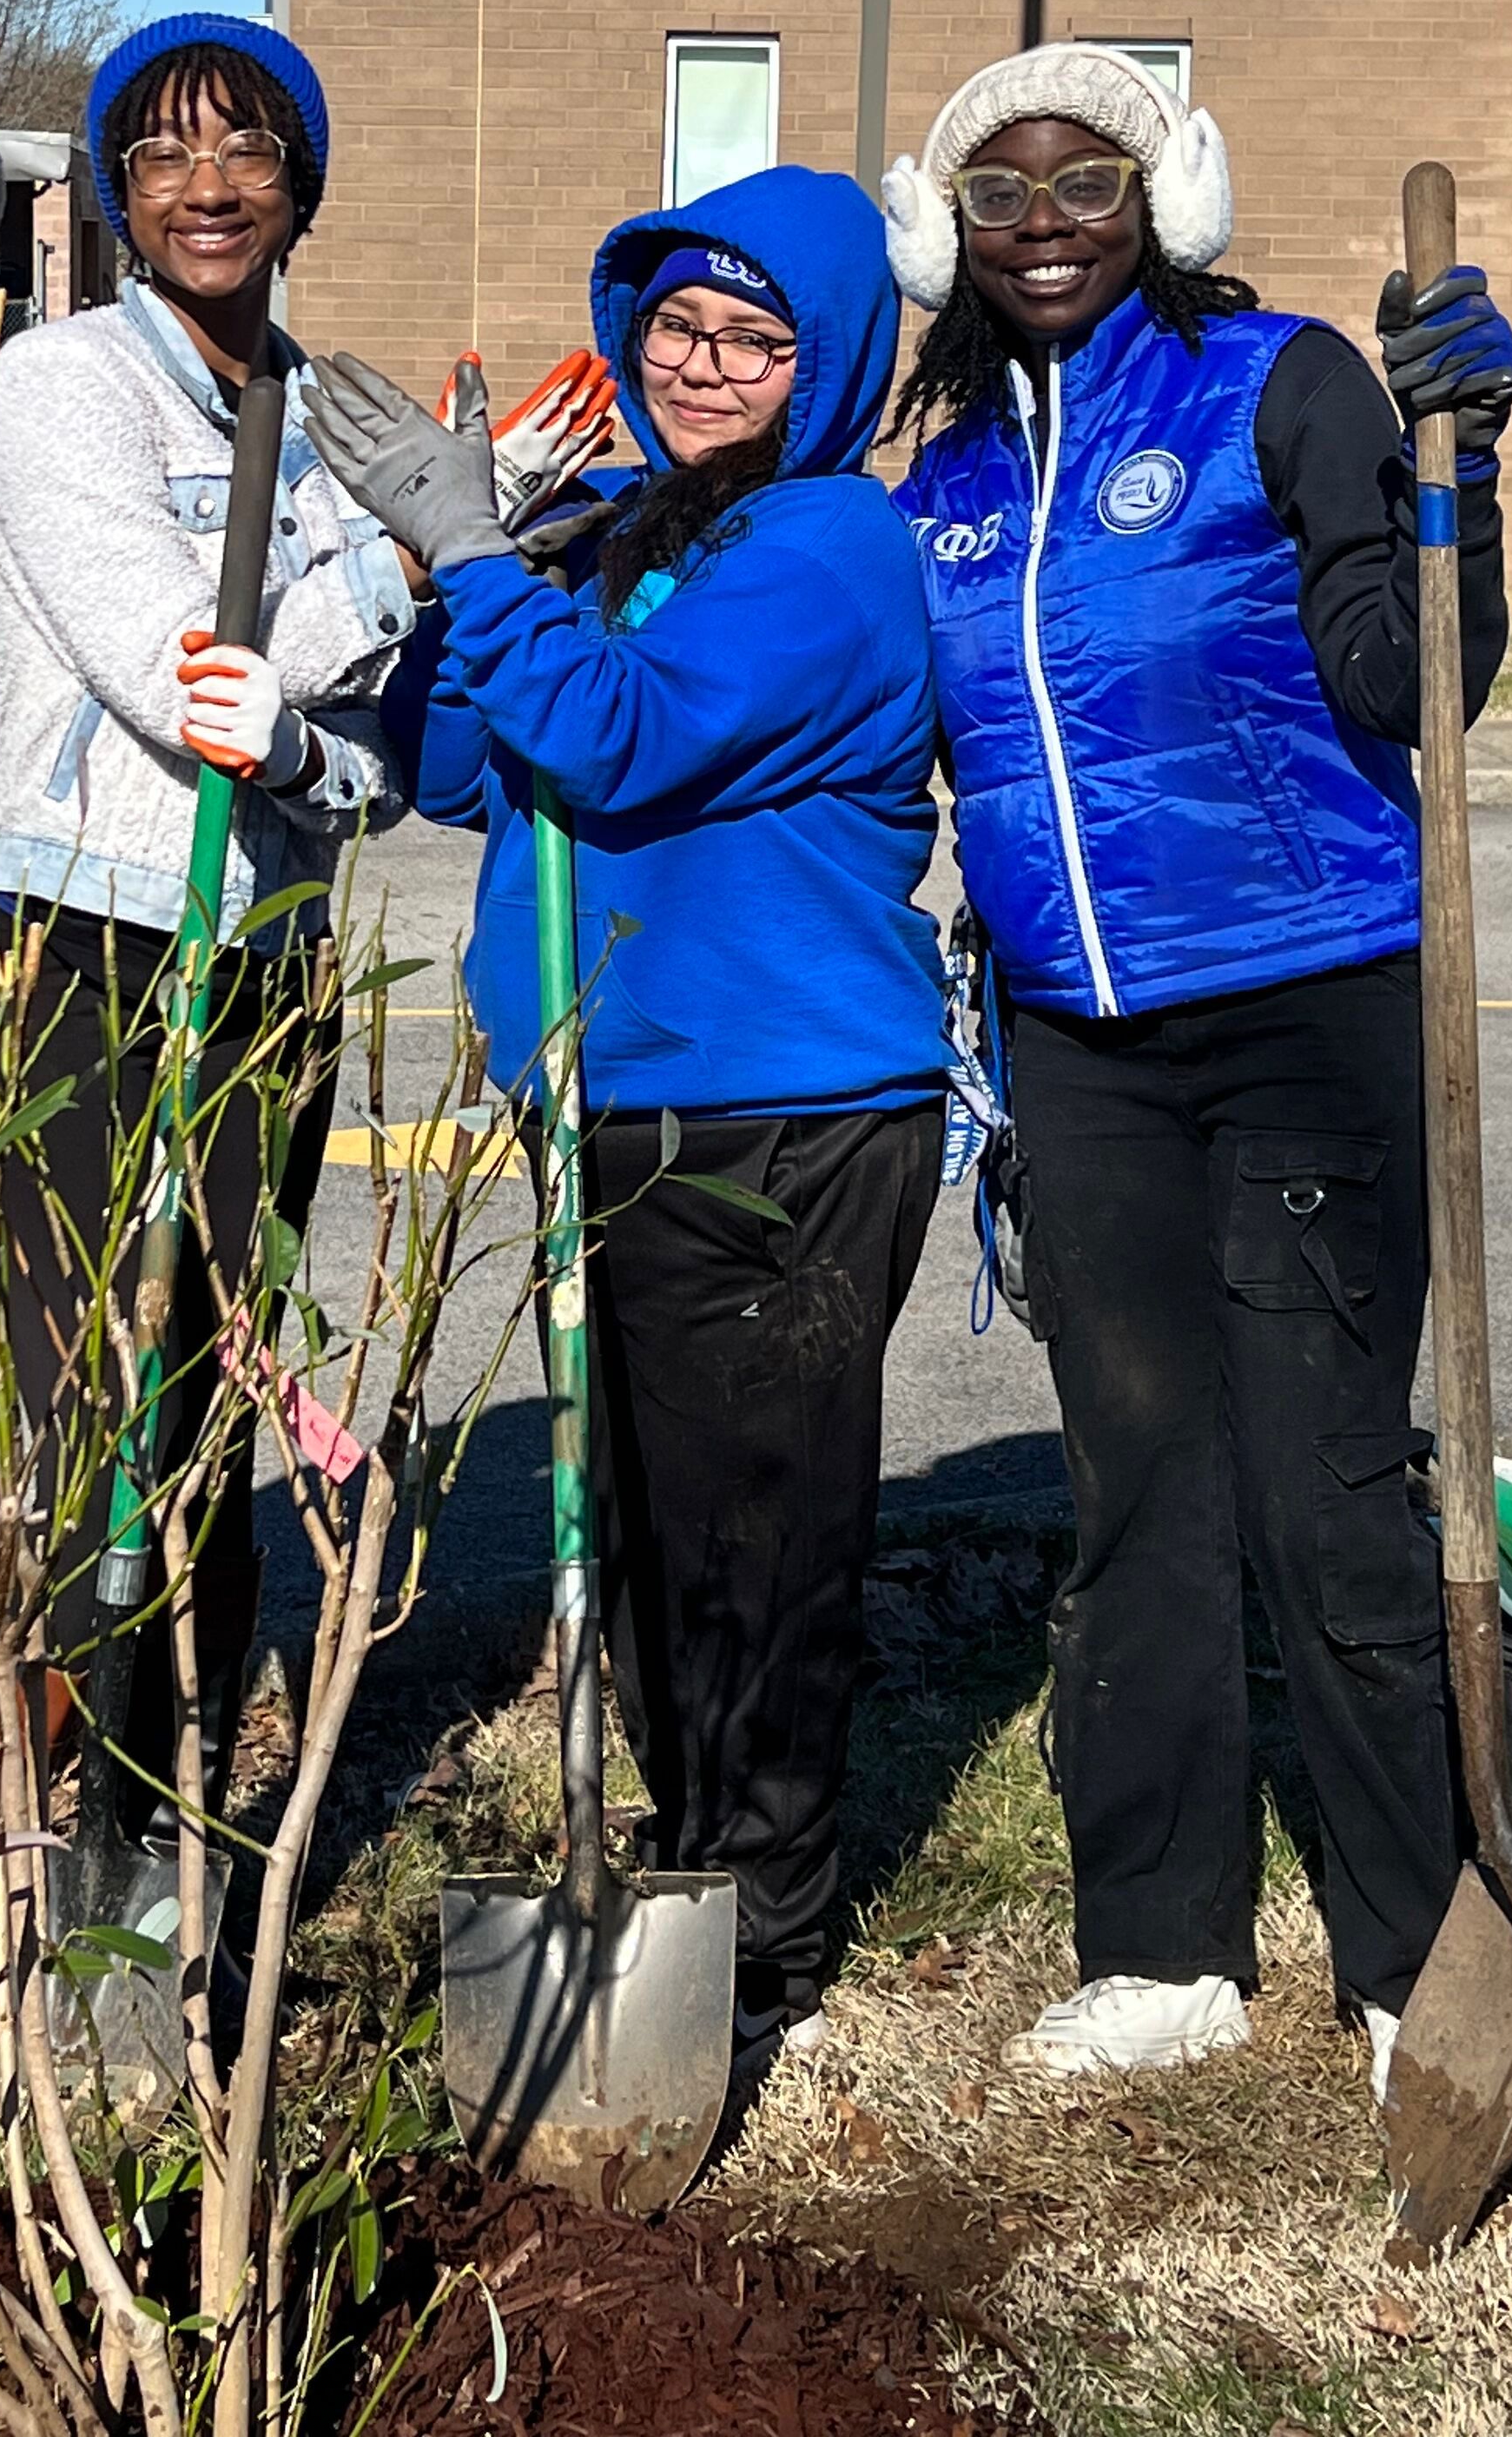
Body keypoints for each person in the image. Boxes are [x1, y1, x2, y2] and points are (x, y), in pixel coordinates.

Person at [882, 42, 1512, 2097]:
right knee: (1137, 1485)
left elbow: (1412, 681)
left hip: (1311, 1003)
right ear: (950, 233)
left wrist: (1457, 470)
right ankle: (1163, 1950)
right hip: (1082, 1040)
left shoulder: (1280, 383)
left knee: (1333, 1487)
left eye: (1088, 175)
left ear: (1166, 194)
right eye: (1002, 190)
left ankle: (1422, 1952)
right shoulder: (950, 476)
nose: (1047, 216)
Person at [310, 166, 952, 2090]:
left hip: (781, 1103)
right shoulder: (629, 528)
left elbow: (620, 737)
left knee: (753, 1529)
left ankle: (766, 1926)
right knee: (665, 1521)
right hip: (615, 1089)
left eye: (759, 340)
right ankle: (687, 1871)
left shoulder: (829, 547)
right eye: (678, 324)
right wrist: (469, 558)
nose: (703, 365)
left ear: (823, 363)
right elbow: (452, 768)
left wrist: (490, 567)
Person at [0, 14, 433, 1965]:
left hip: (265, 958)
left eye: (249, 149)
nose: (211, 184)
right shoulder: (61, 389)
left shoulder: (333, 408)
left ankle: (173, 1838)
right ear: (113, 191)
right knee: (83, 1413)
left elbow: (369, 757)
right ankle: (23, 1855)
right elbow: (185, 683)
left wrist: (341, 704)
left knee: (215, 1400)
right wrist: (413, 556)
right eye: (164, 153)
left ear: (301, 186)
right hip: (93, 938)